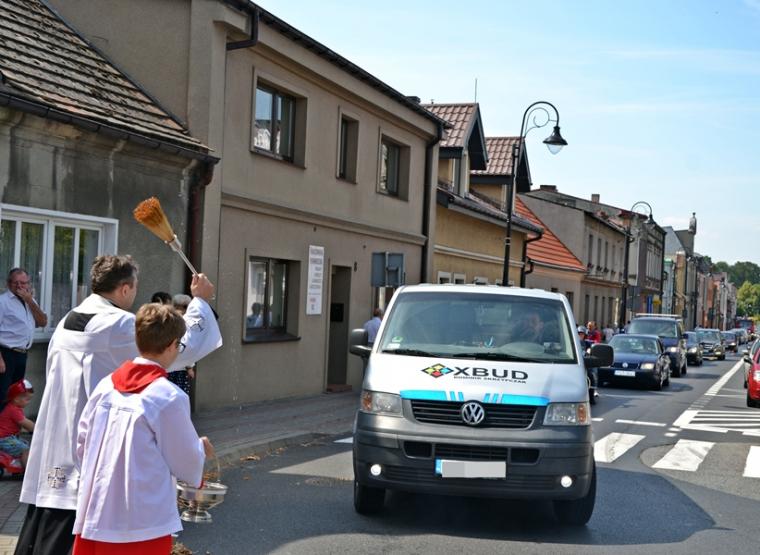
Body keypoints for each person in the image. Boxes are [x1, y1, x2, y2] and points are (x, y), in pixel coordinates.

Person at [15, 255, 222, 555]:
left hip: (57, 442)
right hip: (100, 454)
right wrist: (200, 301)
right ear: (125, 289)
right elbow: (179, 347)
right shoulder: (117, 324)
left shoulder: (68, 319)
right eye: (135, 287)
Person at [72, 303, 213, 555]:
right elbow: (185, 459)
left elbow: (82, 442)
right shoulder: (168, 396)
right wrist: (200, 452)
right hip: (141, 519)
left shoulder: (106, 386)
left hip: (98, 507)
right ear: (172, 345)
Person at [0, 269, 48, 402]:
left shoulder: (30, 301)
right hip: (6, 354)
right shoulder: (3, 301)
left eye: (23, 283)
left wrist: (30, 301)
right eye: (16, 282)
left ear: (29, 284)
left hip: (22, 354)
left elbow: (43, 322)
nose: (19, 286)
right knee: (2, 394)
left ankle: (10, 416)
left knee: (15, 396)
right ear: (8, 283)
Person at [0, 379, 35, 467]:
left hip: (8, 437)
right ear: (16, 399)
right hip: (4, 439)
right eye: (27, 399)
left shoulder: (13, 408)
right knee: (25, 450)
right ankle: (27, 471)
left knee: (25, 443)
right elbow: (27, 424)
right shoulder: (14, 410)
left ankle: (17, 465)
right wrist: (38, 428)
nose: (29, 402)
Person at [168, 294, 194, 395]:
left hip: (167, 364)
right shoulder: (184, 322)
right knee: (179, 394)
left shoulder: (167, 319)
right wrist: (190, 367)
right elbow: (186, 345)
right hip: (180, 367)